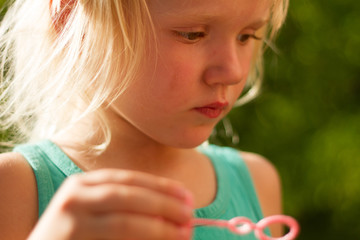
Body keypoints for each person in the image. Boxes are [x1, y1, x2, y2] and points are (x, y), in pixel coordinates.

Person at [0, 0, 289, 239]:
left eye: (246, 36)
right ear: (69, 16)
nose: (234, 72)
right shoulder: (14, 190)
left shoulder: (256, 182)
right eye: (193, 34)